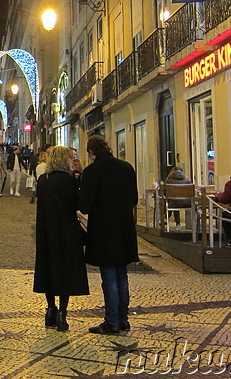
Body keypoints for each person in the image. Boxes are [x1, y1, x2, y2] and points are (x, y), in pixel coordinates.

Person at [79, 135, 138, 335]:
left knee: (109, 277)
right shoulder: (126, 167)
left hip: (104, 230)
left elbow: (84, 205)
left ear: (91, 152)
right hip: (124, 228)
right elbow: (134, 198)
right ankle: (123, 319)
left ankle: (111, 321)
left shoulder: (92, 172)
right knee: (121, 275)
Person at [33, 146, 89, 332]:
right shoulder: (69, 180)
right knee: (65, 271)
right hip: (67, 232)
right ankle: (62, 315)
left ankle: (50, 310)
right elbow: (79, 204)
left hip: (46, 232)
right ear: (64, 159)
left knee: (48, 268)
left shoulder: (43, 179)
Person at [163, 166, 192, 231]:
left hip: (173, 203)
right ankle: (178, 224)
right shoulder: (187, 181)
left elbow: (164, 192)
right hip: (187, 203)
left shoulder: (168, 181)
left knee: (171, 201)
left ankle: (166, 217)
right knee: (174, 201)